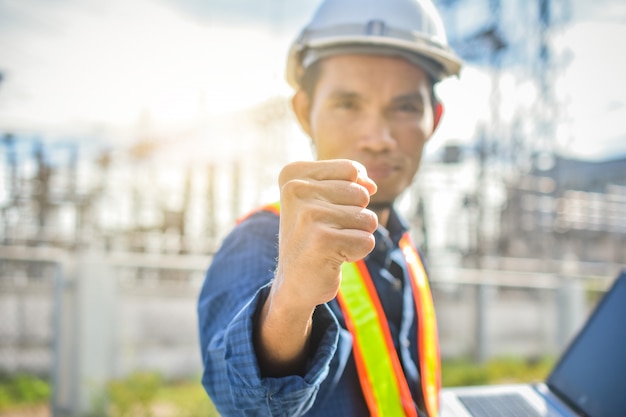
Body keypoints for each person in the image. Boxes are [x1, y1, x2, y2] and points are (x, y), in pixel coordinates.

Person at [197, 0, 462, 415]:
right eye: (348, 104)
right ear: (305, 112)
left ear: (436, 118)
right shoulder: (260, 242)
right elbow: (243, 402)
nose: (378, 138)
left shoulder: (405, 250)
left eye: (405, 107)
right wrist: (288, 304)